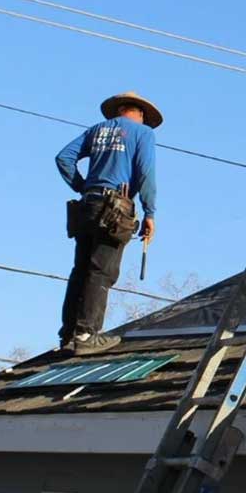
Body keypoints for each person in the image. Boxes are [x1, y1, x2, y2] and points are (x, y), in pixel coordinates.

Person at [54, 92, 159, 355]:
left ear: (119, 110)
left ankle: (68, 335)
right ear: (139, 113)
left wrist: (83, 186)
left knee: (80, 270)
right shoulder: (143, 134)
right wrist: (149, 212)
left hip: (87, 205)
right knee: (102, 271)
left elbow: (63, 158)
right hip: (115, 207)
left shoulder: (96, 130)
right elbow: (145, 172)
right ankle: (87, 334)